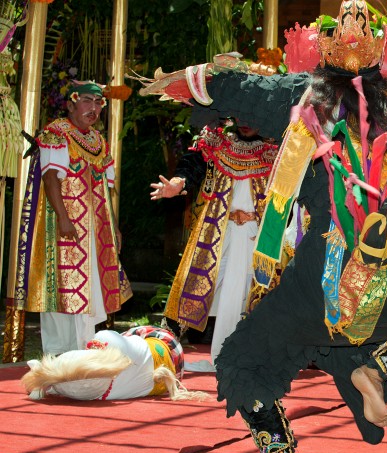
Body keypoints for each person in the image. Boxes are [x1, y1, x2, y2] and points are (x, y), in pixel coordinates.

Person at [139, 2, 387, 453]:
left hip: (329, 266)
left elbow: (229, 85)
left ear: (324, 57)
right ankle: (367, 367)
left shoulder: (301, 97)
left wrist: (178, 81)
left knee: (243, 361)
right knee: (345, 335)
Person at [13, 80, 132, 355]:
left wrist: (114, 227)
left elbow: (106, 188)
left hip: (95, 229)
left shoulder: (97, 141)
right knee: (61, 292)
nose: (94, 109)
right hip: (64, 225)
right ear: (71, 104)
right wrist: (64, 218)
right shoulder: (57, 133)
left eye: (99, 103)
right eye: (88, 102)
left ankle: (81, 354)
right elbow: (50, 177)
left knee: (89, 292)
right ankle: (57, 358)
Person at [150, 120, 277, 368]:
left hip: (258, 233)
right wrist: (178, 183)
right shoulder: (217, 142)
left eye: (252, 116)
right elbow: (192, 165)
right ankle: (163, 352)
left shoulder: (277, 149)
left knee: (249, 293)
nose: (245, 122)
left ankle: (236, 356)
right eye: (240, 116)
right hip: (217, 228)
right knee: (193, 283)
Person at [20, 325, 210, 402]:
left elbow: (62, 383)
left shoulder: (102, 395)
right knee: (128, 337)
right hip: (166, 343)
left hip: (171, 372)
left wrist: (43, 380)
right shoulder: (106, 339)